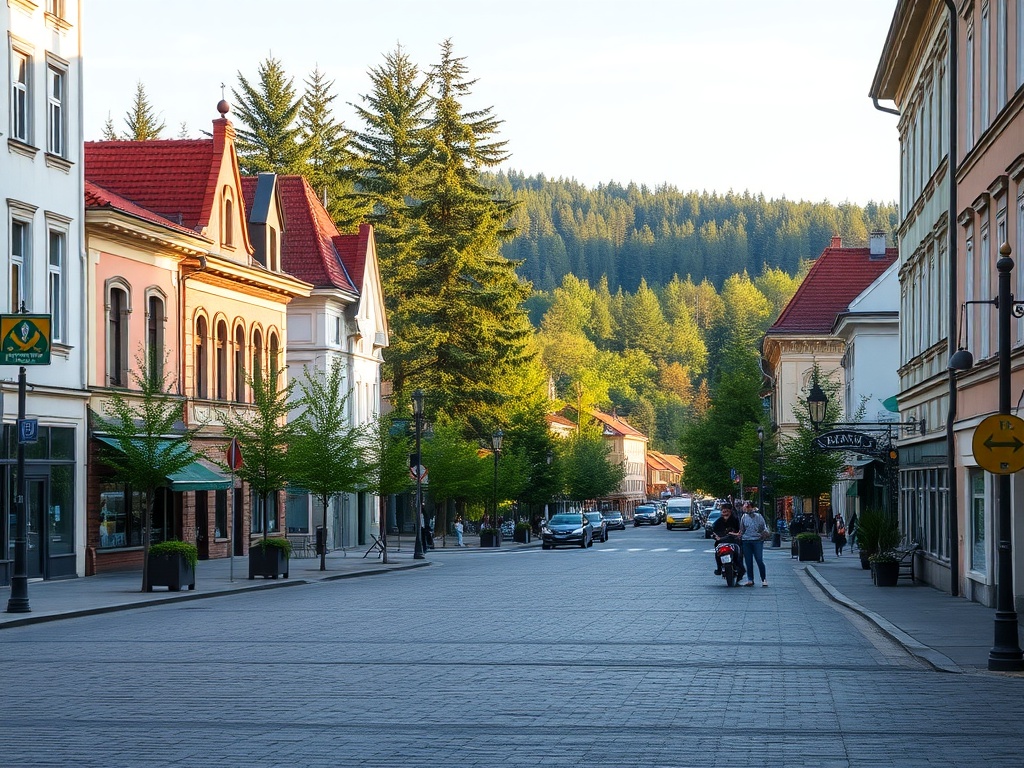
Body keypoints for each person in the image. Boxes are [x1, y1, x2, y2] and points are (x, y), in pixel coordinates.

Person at [738, 501, 769, 587]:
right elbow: (742, 529)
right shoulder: (744, 517)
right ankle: (750, 579)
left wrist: (763, 534)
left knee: (759, 560)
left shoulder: (759, 516)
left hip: (757, 540)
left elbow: (763, 527)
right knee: (748, 561)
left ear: (752, 507)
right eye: (745, 507)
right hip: (746, 540)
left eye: (748, 507)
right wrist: (739, 535)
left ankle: (763, 579)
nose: (747, 509)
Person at [711, 503, 744, 579]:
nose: (725, 514)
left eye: (727, 512)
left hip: (733, 541)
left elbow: (740, 530)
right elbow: (714, 530)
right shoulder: (718, 521)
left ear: (730, 512)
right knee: (717, 553)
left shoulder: (735, 520)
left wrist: (736, 534)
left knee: (739, 554)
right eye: (723, 511)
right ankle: (719, 567)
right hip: (721, 542)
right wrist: (715, 536)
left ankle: (739, 569)